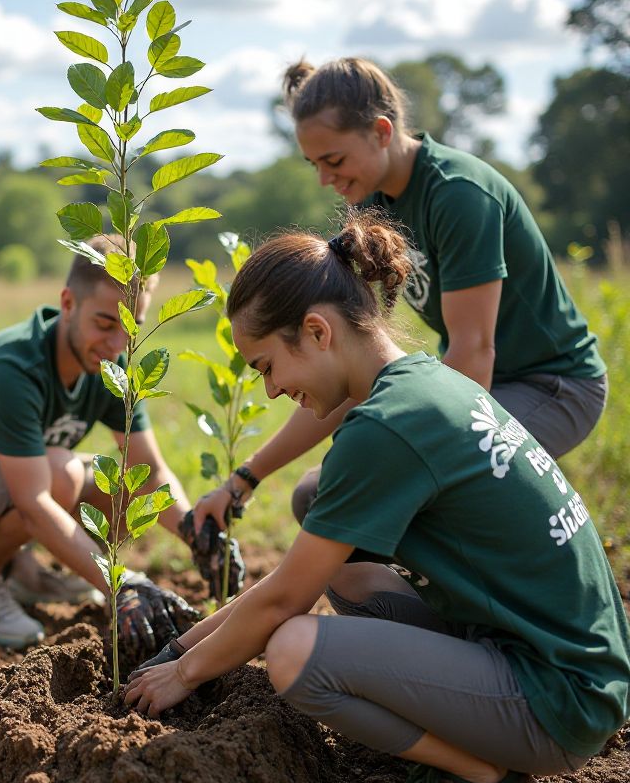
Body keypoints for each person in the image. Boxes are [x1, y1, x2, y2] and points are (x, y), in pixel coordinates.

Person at [125, 214, 630, 783]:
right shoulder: (421, 380)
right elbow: (294, 577)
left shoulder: (387, 428)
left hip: (557, 697)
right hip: (567, 657)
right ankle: (463, 730)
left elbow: (285, 597)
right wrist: (180, 650)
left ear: (316, 331)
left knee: (293, 653)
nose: (272, 389)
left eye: (266, 366)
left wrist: (185, 673)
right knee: (318, 503)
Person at [195, 56, 607, 534]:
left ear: (382, 132)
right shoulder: (371, 205)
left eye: (334, 160)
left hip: (552, 385)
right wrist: (246, 477)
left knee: (401, 487)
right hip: (480, 383)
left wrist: (387, 453)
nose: (324, 179)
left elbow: (473, 354)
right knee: (318, 493)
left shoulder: (457, 194)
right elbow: (350, 361)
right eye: (314, 164)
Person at [0, 236, 237, 653]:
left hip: (9, 483)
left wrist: (199, 535)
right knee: (62, 473)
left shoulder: (112, 368)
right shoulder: (11, 367)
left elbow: (151, 472)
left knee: (122, 485)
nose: (116, 344)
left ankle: (25, 575)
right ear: (68, 304)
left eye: (129, 326)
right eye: (104, 324)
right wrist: (122, 581)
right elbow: (32, 500)